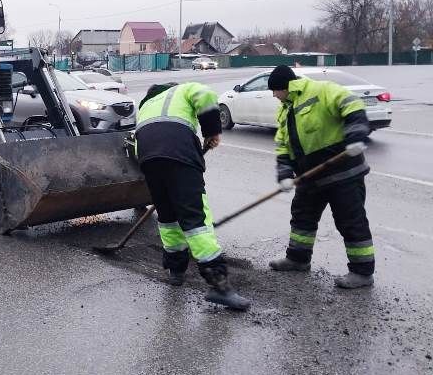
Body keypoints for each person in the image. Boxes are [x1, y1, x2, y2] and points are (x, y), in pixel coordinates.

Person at [135, 82, 251, 310]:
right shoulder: (184, 89)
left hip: (147, 158)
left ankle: (176, 270)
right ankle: (219, 285)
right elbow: (206, 95)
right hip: (178, 153)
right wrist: (212, 132)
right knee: (195, 219)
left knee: (168, 217)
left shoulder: (147, 104)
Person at [266, 65, 374, 288]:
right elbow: (282, 145)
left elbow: (352, 105)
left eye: (276, 91)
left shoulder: (322, 90)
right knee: (302, 217)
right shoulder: (285, 110)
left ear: (286, 86)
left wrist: (355, 135)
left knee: (350, 221)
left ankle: (362, 273)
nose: (274, 96)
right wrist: (285, 173)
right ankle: (297, 259)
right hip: (309, 178)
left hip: (342, 173)